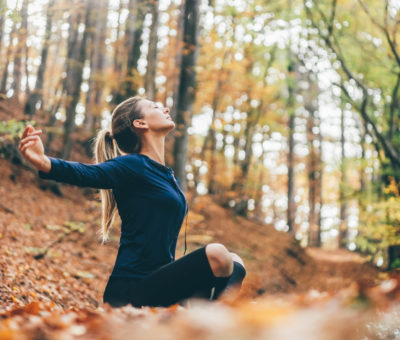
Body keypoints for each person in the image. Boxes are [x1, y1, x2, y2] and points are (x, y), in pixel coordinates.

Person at [18, 96, 246, 308]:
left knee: (235, 262)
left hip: (161, 283)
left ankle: (213, 317)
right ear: (140, 124)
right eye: (155, 107)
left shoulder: (167, 176)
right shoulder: (133, 165)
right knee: (217, 253)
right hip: (131, 289)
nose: (165, 108)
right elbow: (87, 173)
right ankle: (215, 316)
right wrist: (43, 161)